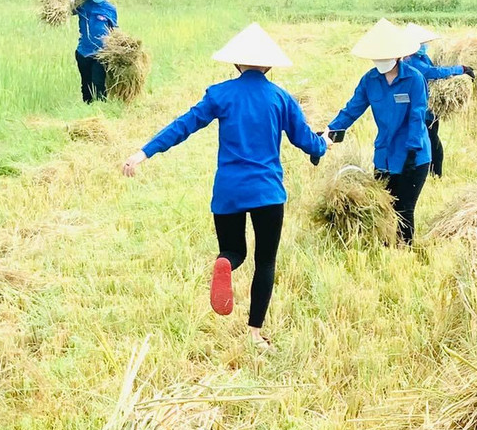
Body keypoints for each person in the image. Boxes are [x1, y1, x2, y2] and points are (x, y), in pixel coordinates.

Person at [120, 24, 326, 349]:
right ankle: (256, 334)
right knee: (266, 261)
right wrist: (322, 147)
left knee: (234, 250)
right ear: (269, 65)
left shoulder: (220, 94)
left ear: (236, 63)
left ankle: (226, 264)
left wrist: (142, 153)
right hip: (267, 192)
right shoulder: (281, 98)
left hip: (229, 190)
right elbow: (306, 141)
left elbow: (183, 126)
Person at [328, 18, 435, 246]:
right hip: (384, 155)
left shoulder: (414, 79)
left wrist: (413, 150)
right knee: (384, 206)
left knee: (404, 210)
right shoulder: (370, 80)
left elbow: (417, 116)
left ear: (398, 55)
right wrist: (331, 131)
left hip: (412, 157)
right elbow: (352, 108)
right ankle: (385, 250)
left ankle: (404, 254)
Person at [402, 22, 475, 179]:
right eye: (421, 43)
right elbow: (432, 72)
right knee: (432, 144)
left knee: (431, 141)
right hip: (420, 110)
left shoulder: (422, 56)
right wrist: (460, 69)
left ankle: (432, 174)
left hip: (429, 109)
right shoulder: (411, 62)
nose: (424, 46)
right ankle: (434, 175)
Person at [75, 0, 117, 103]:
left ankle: (101, 108)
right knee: (86, 84)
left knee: (99, 83)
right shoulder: (82, 6)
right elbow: (65, 5)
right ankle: (87, 107)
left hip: (101, 53)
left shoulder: (110, 9)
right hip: (83, 51)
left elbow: (114, 30)